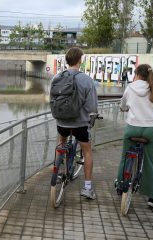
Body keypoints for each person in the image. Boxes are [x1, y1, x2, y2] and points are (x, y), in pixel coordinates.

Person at [117, 63, 153, 209]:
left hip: (132, 128)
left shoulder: (130, 88)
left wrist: (124, 108)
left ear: (137, 74)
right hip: (151, 130)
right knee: (151, 162)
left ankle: (120, 185)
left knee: (125, 157)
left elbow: (123, 105)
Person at [53, 47, 98, 199]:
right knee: (87, 152)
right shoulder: (86, 80)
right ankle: (87, 188)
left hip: (62, 122)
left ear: (66, 60)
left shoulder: (57, 78)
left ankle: (60, 170)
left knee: (61, 144)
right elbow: (92, 107)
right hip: (80, 124)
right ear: (80, 60)